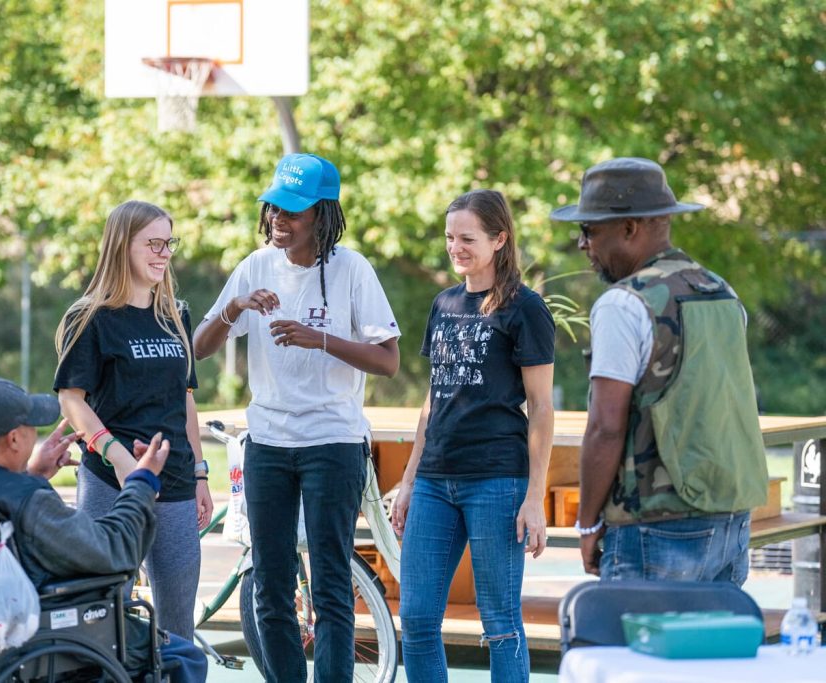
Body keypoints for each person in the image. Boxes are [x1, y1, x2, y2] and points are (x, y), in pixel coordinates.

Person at [193, 153, 401, 682]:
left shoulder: (352, 270)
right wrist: (235, 306)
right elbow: (199, 349)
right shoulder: (256, 265)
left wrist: (321, 339)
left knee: (331, 585)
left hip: (332, 442)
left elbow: (387, 359)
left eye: (293, 211)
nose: (279, 221)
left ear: (323, 215)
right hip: (267, 442)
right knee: (270, 583)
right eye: (273, 210)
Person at [0, 377, 207, 682]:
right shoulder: (26, 500)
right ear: (14, 439)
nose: (36, 435)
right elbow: (115, 553)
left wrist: (30, 476)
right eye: (31, 427)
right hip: (36, 641)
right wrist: (142, 483)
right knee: (184, 655)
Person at [550, 157, 768, 583]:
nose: (582, 245)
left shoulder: (623, 303)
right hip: (732, 518)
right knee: (712, 650)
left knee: (641, 650)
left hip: (654, 526)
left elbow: (605, 427)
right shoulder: (721, 292)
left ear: (630, 229)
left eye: (589, 230)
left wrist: (589, 523)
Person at [390, 189, 555, 683]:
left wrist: (534, 498)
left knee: (500, 622)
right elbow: (433, 399)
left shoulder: (525, 309)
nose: (455, 247)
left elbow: (542, 408)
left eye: (467, 238)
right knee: (417, 620)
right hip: (436, 481)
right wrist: (409, 479)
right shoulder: (444, 302)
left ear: (499, 239)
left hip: (496, 481)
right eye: (449, 237)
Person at [53, 200, 213, 641]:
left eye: (168, 243)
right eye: (153, 243)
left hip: (175, 483)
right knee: (104, 619)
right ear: (123, 245)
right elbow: (71, 399)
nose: (163, 253)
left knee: (178, 628)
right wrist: (119, 458)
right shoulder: (89, 317)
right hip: (111, 483)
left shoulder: (175, 314)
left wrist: (199, 472)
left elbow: (184, 399)